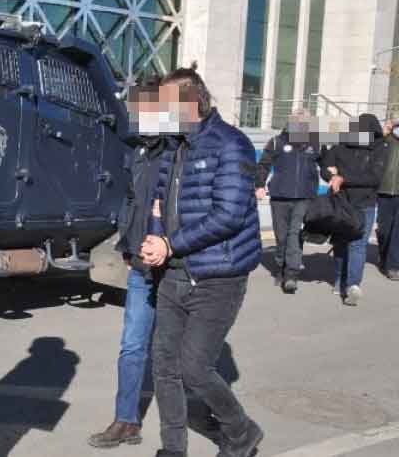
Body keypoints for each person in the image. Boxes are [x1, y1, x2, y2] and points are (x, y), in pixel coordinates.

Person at [141, 64, 263, 457]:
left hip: (218, 275)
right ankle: (173, 449)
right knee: (163, 366)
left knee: (194, 368)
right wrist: (155, 235)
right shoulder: (174, 146)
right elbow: (159, 201)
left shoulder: (233, 144)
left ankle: (241, 431)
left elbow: (228, 216)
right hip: (174, 273)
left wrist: (170, 245)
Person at [88, 78, 167, 450]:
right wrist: (125, 239)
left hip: (175, 267)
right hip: (140, 265)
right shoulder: (139, 153)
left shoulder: (176, 152)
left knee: (175, 351)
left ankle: (189, 422)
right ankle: (126, 421)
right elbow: (131, 200)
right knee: (133, 346)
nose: (137, 115)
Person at [318, 114, 386, 305]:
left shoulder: (374, 148)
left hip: (354, 203)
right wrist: (331, 175)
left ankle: (348, 283)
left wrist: (340, 176)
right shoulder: (346, 146)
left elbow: (373, 178)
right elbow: (326, 168)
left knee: (350, 243)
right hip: (353, 202)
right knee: (349, 243)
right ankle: (347, 283)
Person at [254, 112, 320, 293]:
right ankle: (281, 267)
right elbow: (264, 164)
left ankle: (292, 274)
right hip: (280, 197)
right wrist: (259, 185)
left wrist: (334, 174)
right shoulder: (277, 142)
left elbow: (326, 162)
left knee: (294, 235)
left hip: (304, 197)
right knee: (281, 236)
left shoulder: (314, 143)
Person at [374, 118, 399, 280]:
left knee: (397, 231)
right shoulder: (386, 139)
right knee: (384, 229)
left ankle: (393, 265)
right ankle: (384, 257)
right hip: (383, 190)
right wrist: (381, 134)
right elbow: (369, 146)